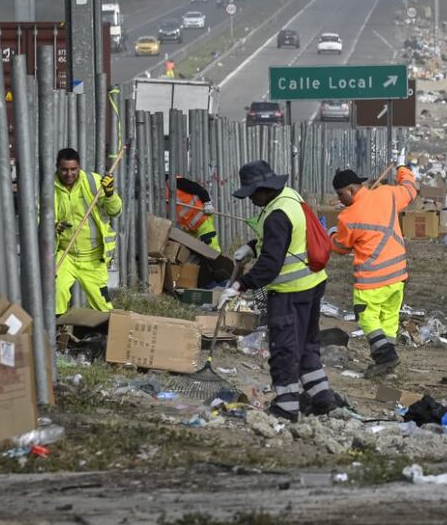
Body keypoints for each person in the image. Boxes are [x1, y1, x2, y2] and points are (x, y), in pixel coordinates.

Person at [220, 160, 336, 422]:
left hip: (290, 291)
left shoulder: (276, 215)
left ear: (264, 189)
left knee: (284, 348)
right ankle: (322, 399)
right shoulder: (289, 197)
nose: (251, 200)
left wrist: (240, 285)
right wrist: (252, 246)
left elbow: (270, 265)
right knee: (307, 345)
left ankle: (286, 406)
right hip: (313, 283)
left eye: (252, 194)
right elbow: (283, 239)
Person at [328, 164, 417, 378]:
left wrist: (331, 234)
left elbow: (340, 248)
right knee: (388, 318)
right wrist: (403, 170)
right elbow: (410, 189)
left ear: (351, 190)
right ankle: (387, 363)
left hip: (371, 279)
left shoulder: (347, 217)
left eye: (341, 194)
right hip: (398, 274)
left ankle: (386, 356)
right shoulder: (388, 194)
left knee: (367, 317)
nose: (340, 199)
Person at [54, 148, 121, 316]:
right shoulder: (50, 188)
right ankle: (58, 334)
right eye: (64, 169)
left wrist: (110, 193)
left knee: (103, 306)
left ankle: (105, 336)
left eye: (73, 169)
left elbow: (116, 211)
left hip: (93, 258)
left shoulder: (94, 182)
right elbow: (41, 217)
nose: (69, 174)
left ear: (79, 167)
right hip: (65, 255)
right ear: (57, 168)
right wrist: (52, 226)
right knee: (56, 291)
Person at [167, 176, 221, 251]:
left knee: (212, 248)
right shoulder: (160, 192)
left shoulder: (174, 181)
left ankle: (218, 262)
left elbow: (197, 188)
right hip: (189, 228)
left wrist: (207, 202)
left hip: (202, 219)